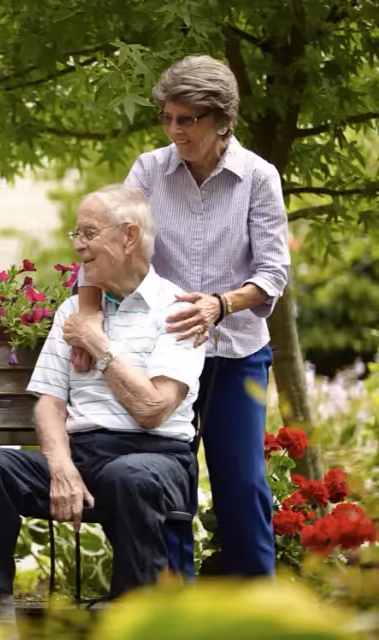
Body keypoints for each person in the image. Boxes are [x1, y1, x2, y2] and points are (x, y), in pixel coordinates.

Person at [73, 55, 290, 578]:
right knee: (162, 484)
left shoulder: (258, 177)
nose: (175, 130)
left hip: (234, 353)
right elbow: (102, 243)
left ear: (221, 119)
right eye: (168, 118)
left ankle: (259, 612)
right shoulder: (149, 170)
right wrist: (90, 322)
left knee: (241, 487)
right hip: (160, 355)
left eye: (187, 119)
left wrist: (219, 305)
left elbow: (273, 272)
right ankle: (169, 609)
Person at [0, 185, 206, 627]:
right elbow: (50, 404)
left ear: (129, 236)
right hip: (83, 460)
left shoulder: (179, 311)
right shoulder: (73, 310)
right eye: (77, 232)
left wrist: (99, 345)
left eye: (89, 233)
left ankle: (133, 624)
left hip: (154, 459)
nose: (78, 244)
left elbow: (153, 408)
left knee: (127, 476)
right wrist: (60, 467)